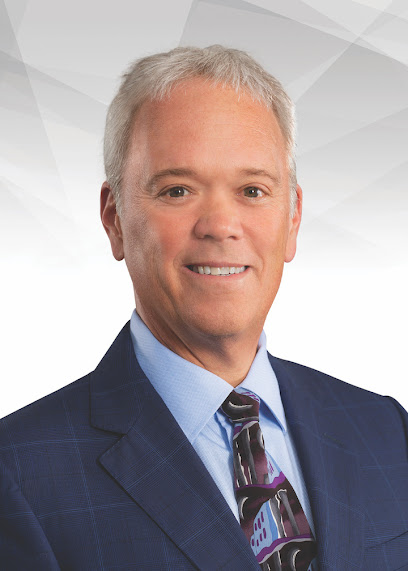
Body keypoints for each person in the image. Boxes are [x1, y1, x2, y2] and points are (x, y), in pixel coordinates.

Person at [0, 45, 407, 571]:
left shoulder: (386, 430)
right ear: (114, 218)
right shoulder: (20, 475)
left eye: (253, 190)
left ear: (293, 219)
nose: (220, 225)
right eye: (177, 190)